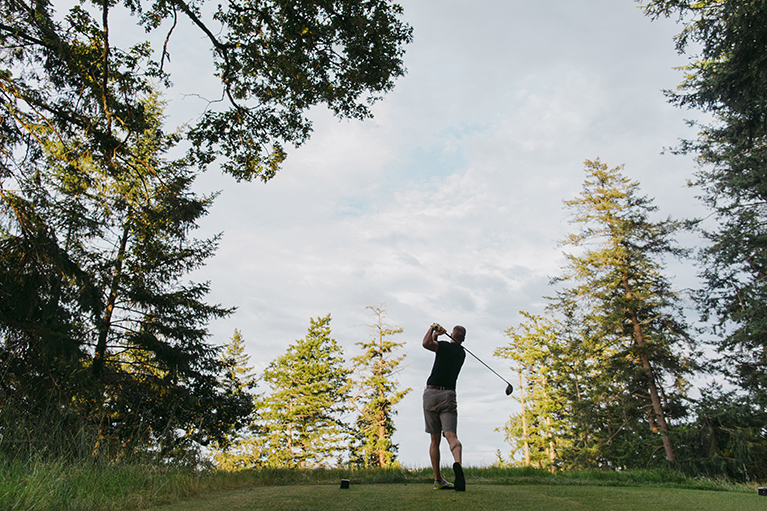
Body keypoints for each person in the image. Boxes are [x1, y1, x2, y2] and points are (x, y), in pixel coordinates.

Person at [422, 323, 466, 491]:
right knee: (451, 436)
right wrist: (439, 337)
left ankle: (438, 479)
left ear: (452, 335)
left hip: (431, 394)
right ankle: (458, 464)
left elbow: (427, 344)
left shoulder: (444, 346)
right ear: (463, 339)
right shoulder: (462, 354)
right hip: (448, 395)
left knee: (434, 440)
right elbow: (435, 345)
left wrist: (433, 330)